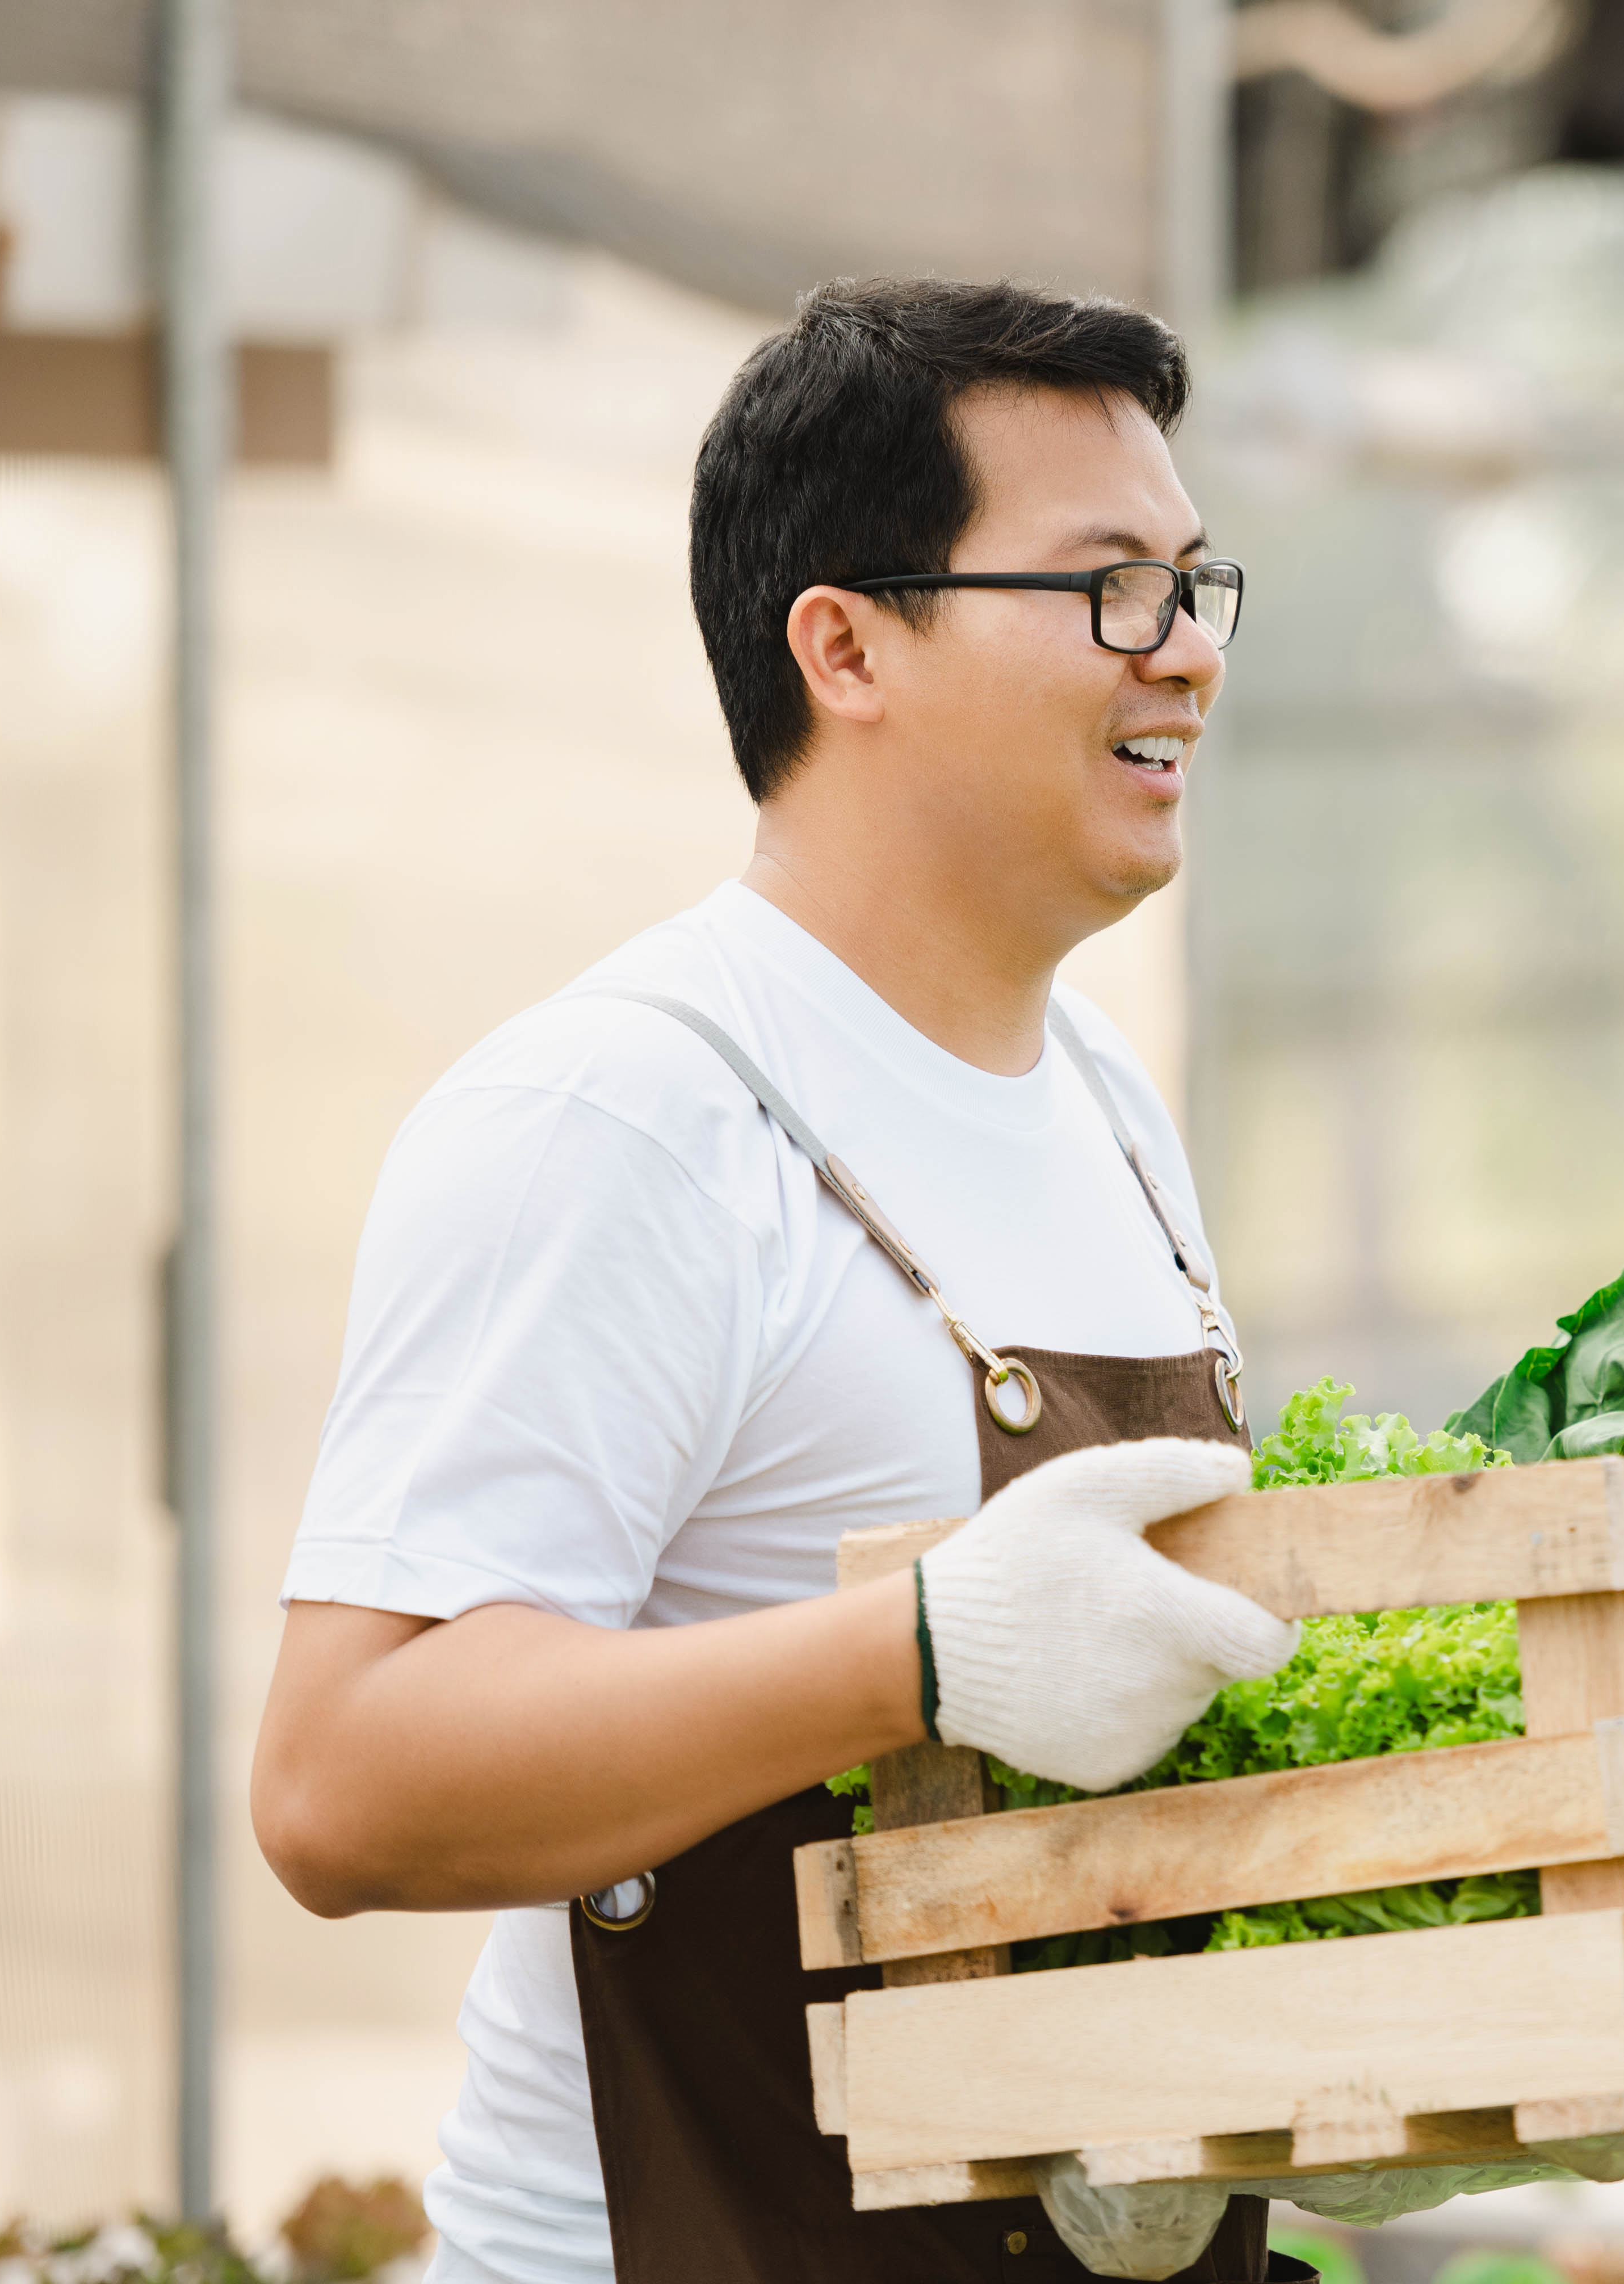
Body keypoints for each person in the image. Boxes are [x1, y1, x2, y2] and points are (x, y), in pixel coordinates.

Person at [252, 278, 1300, 2284]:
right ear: (847, 643)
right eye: (1103, 587)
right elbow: (339, 1779)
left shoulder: (1107, 1103)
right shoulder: (631, 1112)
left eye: (1195, 581)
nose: (1183, 653)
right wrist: (917, 1652)